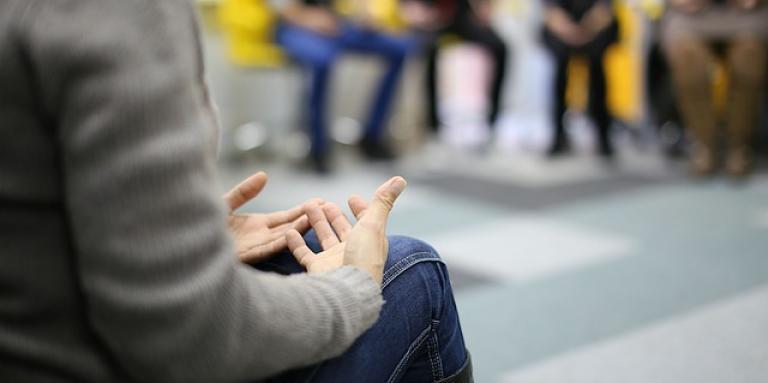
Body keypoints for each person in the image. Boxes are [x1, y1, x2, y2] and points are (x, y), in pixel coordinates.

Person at [0, 1, 472, 382]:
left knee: (397, 47)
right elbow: (189, 334)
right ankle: (319, 148)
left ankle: (372, 135)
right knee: (412, 269)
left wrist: (181, 235)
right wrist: (356, 289)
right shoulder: (117, 13)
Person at [274, 0, 418, 173]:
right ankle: (318, 147)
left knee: (400, 49)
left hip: (335, 24)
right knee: (321, 60)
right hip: (295, 26)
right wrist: (309, 19)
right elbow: (283, 9)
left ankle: (371, 136)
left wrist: (364, 14)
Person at [662, 0, 768, 177]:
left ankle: (738, 144)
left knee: (749, 58)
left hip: (745, 17)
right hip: (690, 17)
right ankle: (704, 143)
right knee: (688, 59)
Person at [403, 0, 509, 138]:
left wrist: (482, 8)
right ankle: (432, 121)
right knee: (427, 52)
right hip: (437, 19)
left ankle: (493, 116)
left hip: (462, 17)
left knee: (500, 47)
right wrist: (418, 11)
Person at [542, 0, 619, 157]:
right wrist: (568, 30)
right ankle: (558, 134)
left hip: (594, 29)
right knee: (560, 71)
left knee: (597, 70)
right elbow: (551, 12)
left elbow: (604, 10)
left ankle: (603, 134)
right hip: (563, 30)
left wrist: (587, 28)